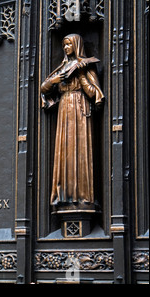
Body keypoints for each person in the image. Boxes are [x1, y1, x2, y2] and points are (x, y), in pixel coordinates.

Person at [41, 33, 104, 213]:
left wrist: (82, 74)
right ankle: (64, 195)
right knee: (65, 150)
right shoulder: (62, 66)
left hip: (80, 108)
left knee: (80, 150)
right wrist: (54, 81)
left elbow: (93, 93)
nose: (66, 48)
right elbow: (43, 88)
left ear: (76, 46)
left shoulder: (85, 66)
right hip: (64, 109)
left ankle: (83, 195)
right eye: (64, 45)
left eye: (69, 44)